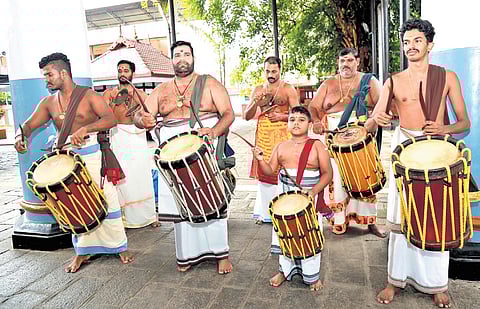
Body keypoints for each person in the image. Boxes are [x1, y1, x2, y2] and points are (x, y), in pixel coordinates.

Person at [365, 19, 470, 308]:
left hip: (435, 149)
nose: (411, 46)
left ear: (430, 44)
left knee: (436, 215)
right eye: (407, 41)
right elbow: (374, 120)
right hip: (404, 149)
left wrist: (443, 129)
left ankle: (437, 284)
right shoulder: (393, 81)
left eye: (417, 41)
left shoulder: (447, 77)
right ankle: (394, 281)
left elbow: (464, 123)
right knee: (401, 218)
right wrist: (380, 119)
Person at [14, 52, 134, 272]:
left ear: (63, 73)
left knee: (108, 200)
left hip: (92, 155)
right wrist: (19, 136)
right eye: (44, 76)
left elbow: (110, 119)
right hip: (67, 160)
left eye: (49, 74)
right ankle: (82, 252)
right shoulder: (48, 103)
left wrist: (86, 128)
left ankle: (119, 246)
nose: (47, 80)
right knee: (72, 204)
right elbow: (28, 125)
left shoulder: (89, 96)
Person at [134, 41, 234, 274]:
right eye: (177, 54)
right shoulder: (161, 90)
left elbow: (228, 113)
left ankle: (222, 255)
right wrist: (143, 121)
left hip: (202, 147)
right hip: (172, 153)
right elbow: (140, 116)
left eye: (186, 54)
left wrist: (214, 131)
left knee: (211, 198)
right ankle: (186, 255)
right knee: (182, 202)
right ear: (172, 60)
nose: (182, 58)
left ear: (193, 57)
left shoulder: (208, 83)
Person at [252, 105, 332, 291]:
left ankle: (312, 276)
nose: (296, 123)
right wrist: (260, 159)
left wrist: (313, 192)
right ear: (287, 124)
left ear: (310, 124)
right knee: (285, 234)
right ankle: (284, 271)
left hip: (309, 200)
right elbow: (270, 171)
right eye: (292, 119)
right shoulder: (280, 147)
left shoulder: (317, 146)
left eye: (301, 120)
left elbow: (327, 174)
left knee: (308, 235)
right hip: (286, 201)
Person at [308, 48, 386, 237]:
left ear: (357, 62)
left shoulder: (369, 81)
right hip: (333, 137)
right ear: (338, 62)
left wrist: (373, 121)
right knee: (336, 177)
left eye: (350, 60)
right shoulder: (329, 83)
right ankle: (340, 221)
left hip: (361, 135)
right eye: (342, 61)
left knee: (364, 175)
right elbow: (313, 106)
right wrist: (317, 121)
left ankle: (370, 223)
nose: (346, 64)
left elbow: (382, 105)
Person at [244, 56, 299, 225]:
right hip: (264, 136)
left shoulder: (288, 89)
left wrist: (282, 116)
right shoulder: (258, 89)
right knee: (264, 170)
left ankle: (287, 209)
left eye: (274, 71)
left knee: (284, 171)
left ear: (280, 70)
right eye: (267, 71)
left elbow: (298, 114)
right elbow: (247, 116)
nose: (270, 74)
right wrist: (255, 100)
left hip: (283, 135)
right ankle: (265, 213)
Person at [103, 60, 158, 229]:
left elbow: (149, 114)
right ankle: (123, 216)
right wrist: (115, 101)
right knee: (122, 174)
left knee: (140, 173)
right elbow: (104, 114)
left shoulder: (140, 93)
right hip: (118, 136)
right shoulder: (109, 94)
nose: (122, 72)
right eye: (119, 70)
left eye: (126, 70)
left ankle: (148, 216)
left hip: (136, 137)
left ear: (132, 73)